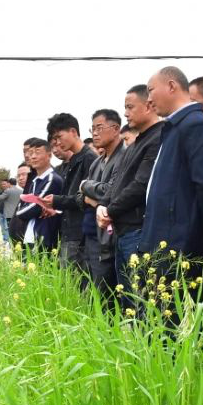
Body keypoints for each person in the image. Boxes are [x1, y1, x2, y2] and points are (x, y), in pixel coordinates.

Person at [141, 66, 203, 264]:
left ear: (172, 86)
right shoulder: (174, 127)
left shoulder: (195, 124)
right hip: (163, 237)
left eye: (151, 90)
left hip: (179, 241)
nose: (149, 99)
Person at [98, 85, 163, 296]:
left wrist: (110, 211)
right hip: (122, 230)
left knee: (140, 297)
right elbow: (116, 180)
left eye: (130, 107)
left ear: (149, 105)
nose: (126, 113)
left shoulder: (158, 138)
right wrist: (103, 205)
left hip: (138, 229)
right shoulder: (134, 144)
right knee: (126, 297)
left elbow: (141, 185)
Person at [42, 113, 98, 280]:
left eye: (59, 137)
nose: (57, 143)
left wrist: (56, 201)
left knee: (76, 283)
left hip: (80, 234)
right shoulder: (74, 160)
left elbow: (86, 198)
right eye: (54, 139)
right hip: (69, 231)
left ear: (73, 132)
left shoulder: (89, 159)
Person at [80, 108, 126, 297]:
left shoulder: (124, 157)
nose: (95, 133)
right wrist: (92, 196)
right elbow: (81, 197)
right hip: (91, 234)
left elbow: (111, 192)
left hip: (110, 236)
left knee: (106, 294)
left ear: (115, 129)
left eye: (99, 128)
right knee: (90, 292)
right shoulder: (97, 162)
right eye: (93, 129)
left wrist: (85, 185)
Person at [13, 137, 62, 253]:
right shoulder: (35, 181)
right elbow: (27, 205)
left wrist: (19, 213)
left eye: (37, 152)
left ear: (49, 155)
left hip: (45, 235)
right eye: (31, 153)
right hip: (31, 234)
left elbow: (35, 207)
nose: (33, 156)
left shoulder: (52, 179)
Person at [0, 176, 23, 243]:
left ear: (9, 183)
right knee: (14, 229)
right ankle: (13, 242)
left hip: (8, 214)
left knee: (7, 228)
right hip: (17, 213)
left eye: (6, 183)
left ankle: (8, 242)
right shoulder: (21, 190)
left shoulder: (8, 191)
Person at [6, 164, 31, 245]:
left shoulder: (34, 195)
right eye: (18, 176)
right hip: (18, 245)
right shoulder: (24, 195)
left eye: (24, 174)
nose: (20, 178)